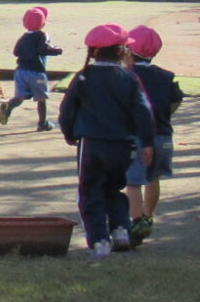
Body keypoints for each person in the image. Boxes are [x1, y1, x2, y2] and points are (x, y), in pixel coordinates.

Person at [56, 23, 156, 259]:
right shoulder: (129, 78)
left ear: (94, 52)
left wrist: (70, 134)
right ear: (121, 51)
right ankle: (121, 229)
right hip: (123, 144)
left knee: (90, 191)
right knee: (114, 188)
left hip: (92, 143)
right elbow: (143, 110)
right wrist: (147, 141)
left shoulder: (84, 78)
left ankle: (99, 239)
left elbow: (67, 110)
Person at [124, 25, 184, 245]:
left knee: (133, 181)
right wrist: (165, 115)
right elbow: (176, 98)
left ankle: (136, 220)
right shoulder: (164, 76)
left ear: (128, 52)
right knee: (153, 177)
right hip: (163, 135)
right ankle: (148, 216)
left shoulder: (127, 76)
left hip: (138, 137)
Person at [0, 5, 62, 132]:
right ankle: (42, 123)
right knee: (41, 98)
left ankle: (9, 106)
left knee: (20, 96)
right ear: (43, 23)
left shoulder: (24, 37)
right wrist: (56, 50)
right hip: (37, 72)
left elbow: (16, 52)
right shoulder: (42, 35)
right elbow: (42, 50)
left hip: (21, 70)